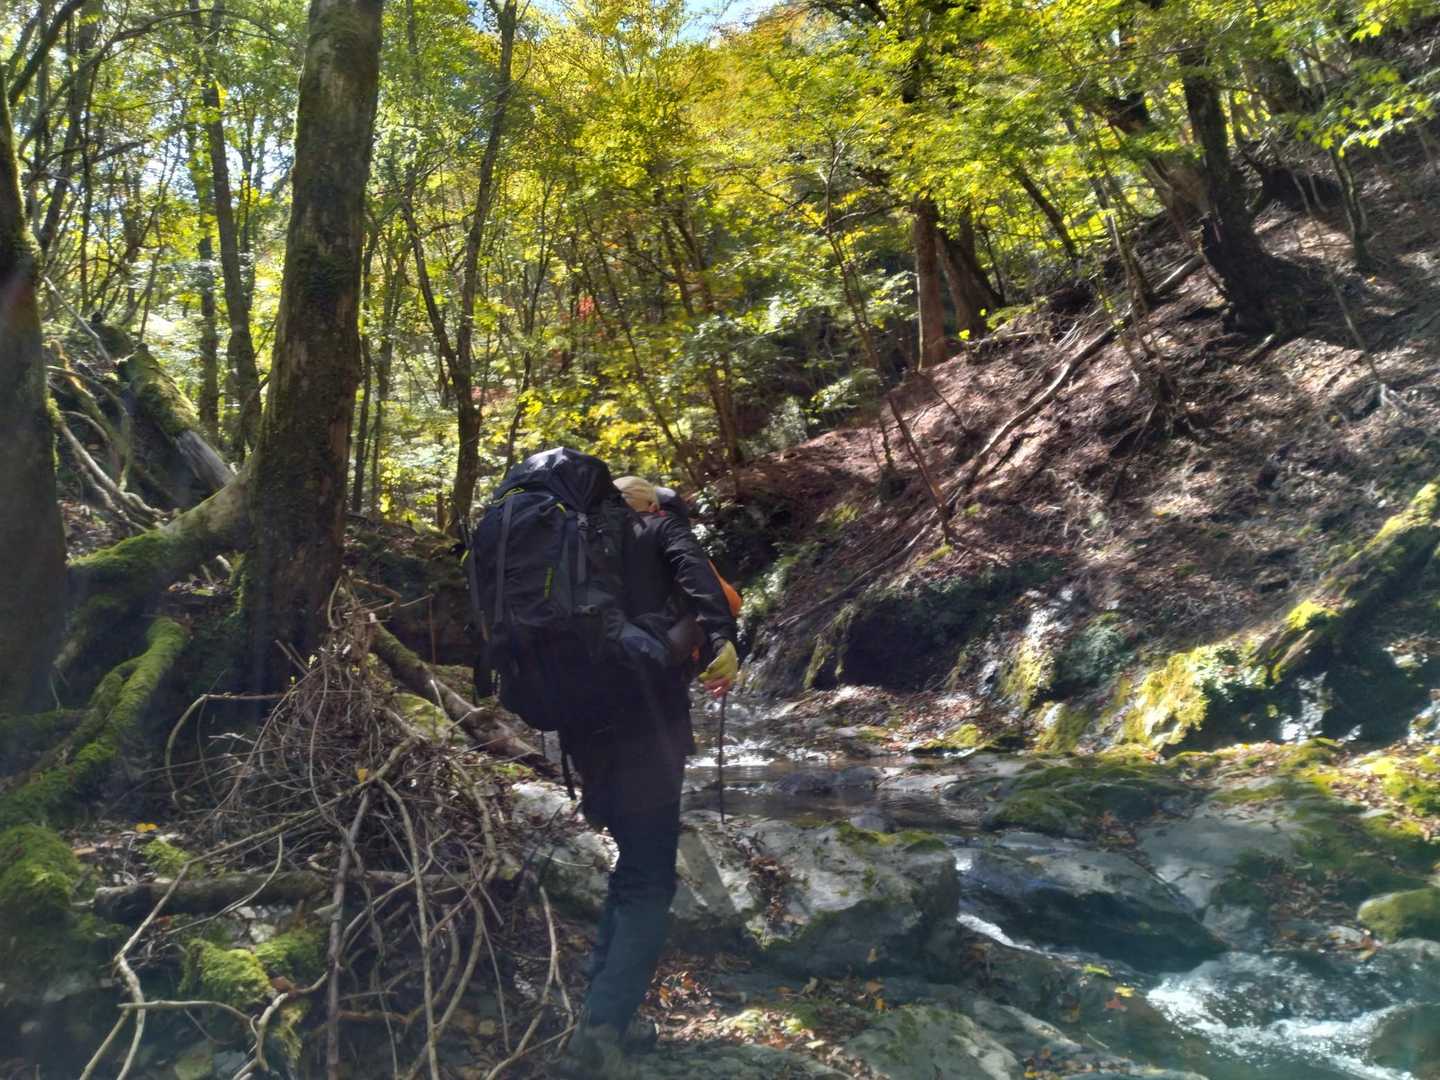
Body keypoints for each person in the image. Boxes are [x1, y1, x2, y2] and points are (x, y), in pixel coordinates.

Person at [561, 474, 739, 1076]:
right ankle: (603, 1028)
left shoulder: (572, 552)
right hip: (646, 729)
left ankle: (600, 1007)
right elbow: (707, 586)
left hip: (583, 733)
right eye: (659, 502)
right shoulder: (657, 532)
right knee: (649, 879)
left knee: (631, 863)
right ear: (646, 507)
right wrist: (724, 639)